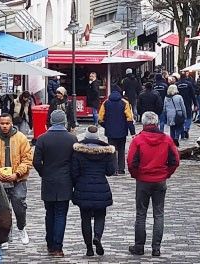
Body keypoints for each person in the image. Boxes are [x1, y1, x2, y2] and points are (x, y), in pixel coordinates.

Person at [127, 112, 180, 257]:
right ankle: (156, 248)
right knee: (159, 214)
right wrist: (166, 174)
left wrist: (136, 175)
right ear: (156, 124)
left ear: (143, 124)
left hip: (143, 181)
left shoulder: (138, 140)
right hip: (160, 181)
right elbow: (175, 160)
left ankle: (139, 246)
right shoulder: (166, 140)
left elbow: (131, 162)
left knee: (141, 214)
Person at [34, 110, 78, 257]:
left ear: (51, 121)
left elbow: (36, 162)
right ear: (64, 121)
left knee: (49, 213)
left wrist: (43, 172)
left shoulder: (42, 139)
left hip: (49, 180)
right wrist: (73, 177)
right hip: (65, 181)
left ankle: (50, 244)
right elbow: (75, 163)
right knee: (61, 214)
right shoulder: (72, 139)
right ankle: (58, 247)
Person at [0, 113, 33, 245]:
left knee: (19, 205)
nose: (5, 126)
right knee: (2, 209)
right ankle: (5, 235)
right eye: (2, 123)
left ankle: (22, 227)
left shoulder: (21, 138)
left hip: (18, 179)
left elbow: (27, 159)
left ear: (11, 123)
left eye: (7, 123)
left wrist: (17, 173)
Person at [71, 126, 115, 256]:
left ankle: (89, 248)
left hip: (83, 186)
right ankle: (97, 236)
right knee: (100, 215)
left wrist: (76, 185)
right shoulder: (106, 151)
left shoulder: (78, 151)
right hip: (101, 187)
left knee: (85, 218)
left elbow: (74, 172)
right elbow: (110, 171)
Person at [99, 85, 136, 175]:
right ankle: (121, 168)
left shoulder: (106, 102)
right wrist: (132, 132)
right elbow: (129, 118)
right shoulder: (125, 102)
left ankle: (114, 169)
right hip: (122, 131)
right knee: (121, 150)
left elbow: (100, 118)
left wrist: (106, 126)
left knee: (112, 150)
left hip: (110, 131)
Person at [176, 72, 195, 139]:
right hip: (187, 102)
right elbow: (193, 94)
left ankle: (182, 131)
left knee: (181, 118)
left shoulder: (177, 84)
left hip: (178, 103)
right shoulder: (189, 84)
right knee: (189, 117)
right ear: (185, 77)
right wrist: (195, 103)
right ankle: (186, 129)